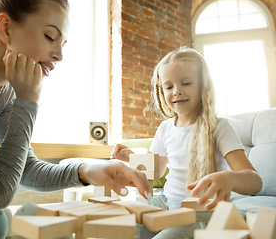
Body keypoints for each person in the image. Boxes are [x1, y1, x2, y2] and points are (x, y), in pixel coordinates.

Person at [0, 0, 151, 237]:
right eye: (50, 37)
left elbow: (24, 169)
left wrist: (87, 170)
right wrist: (28, 99)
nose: (59, 55)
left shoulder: (2, 94)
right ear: (6, 28)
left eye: (63, 43)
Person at [111, 46, 263, 211]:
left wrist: (229, 179)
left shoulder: (219, 127)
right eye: (169, 87)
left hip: (202, 210)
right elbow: (156, 172)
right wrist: (131, 158)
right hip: (166, 203)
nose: (177, 91)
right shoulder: (165, 128)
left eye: (186, 83)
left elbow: (255, 182)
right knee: (126, 220)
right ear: (162, 92)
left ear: (203, 86)